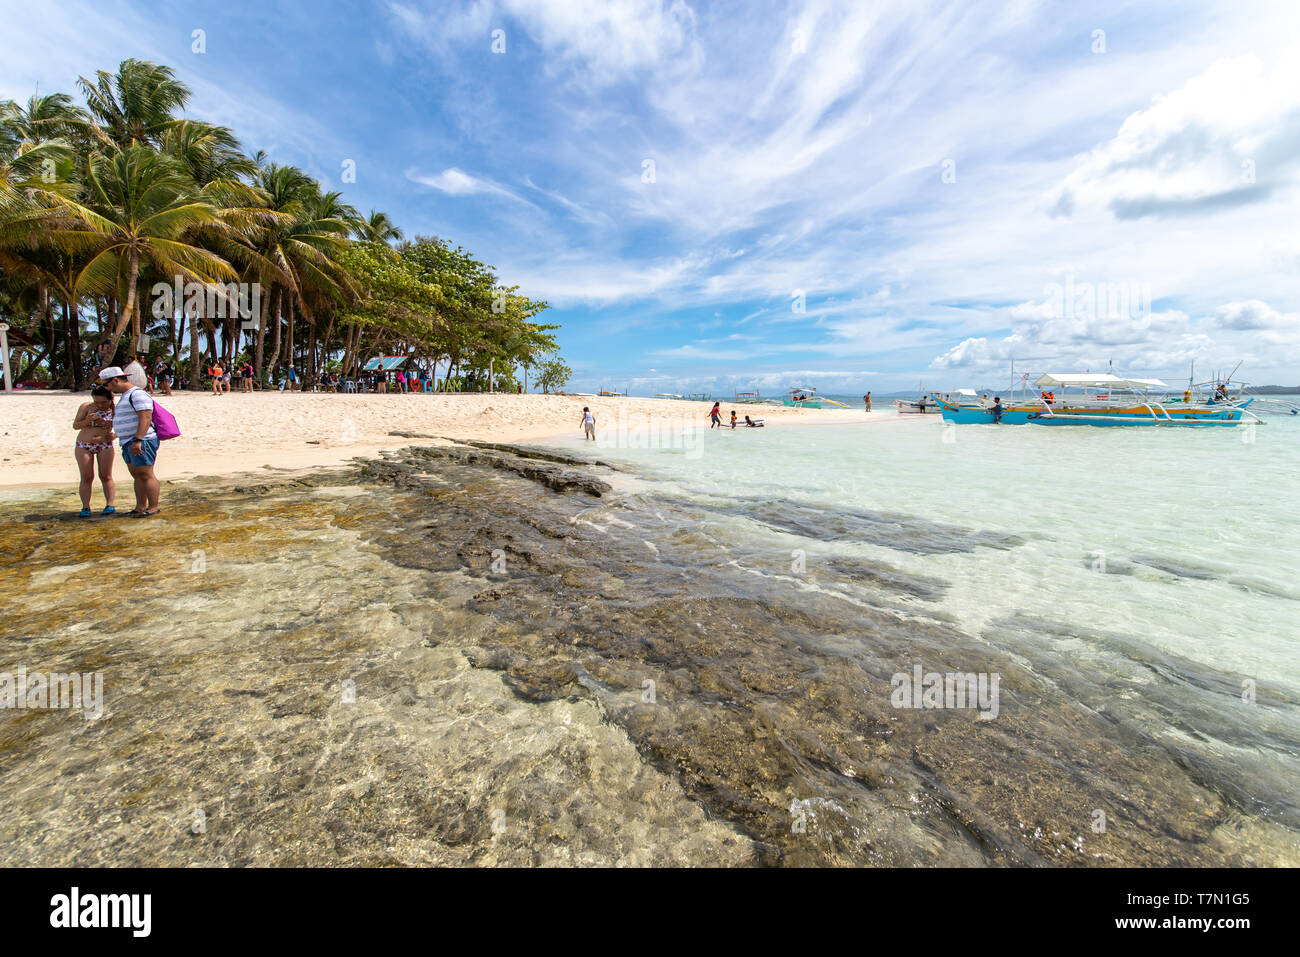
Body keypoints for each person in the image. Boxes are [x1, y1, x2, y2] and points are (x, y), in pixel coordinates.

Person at [100, 366, 161, 517]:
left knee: (146, 474)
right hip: (128, 441)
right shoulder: (126, 395)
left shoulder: (137, 394)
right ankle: (140, 507)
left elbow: (146, 417)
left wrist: (138, 439)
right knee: (137, 474)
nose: (106, 389)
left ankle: (153, 507)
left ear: (115, 380)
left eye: (106, 385)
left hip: (142, 440)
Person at [72, 385, 118, 517]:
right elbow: (75, 426)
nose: (100, 405)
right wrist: (87, 420)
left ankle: (110, 504)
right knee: (87, 477)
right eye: (97, 402)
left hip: (105, 444)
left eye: (103, 402)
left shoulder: (116, 410)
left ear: (111, 399)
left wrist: (115, 435)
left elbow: (124, 426)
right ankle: (85, 507)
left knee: (106, 475)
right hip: (84, 444)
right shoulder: (86, 407)